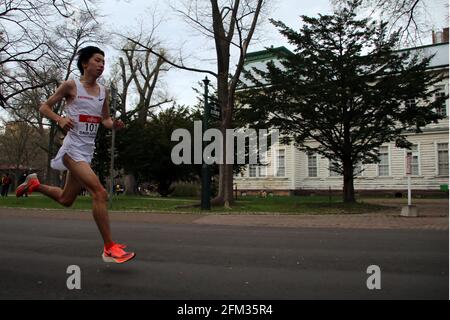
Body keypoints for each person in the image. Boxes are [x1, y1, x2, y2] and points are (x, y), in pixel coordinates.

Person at [16, 46, 135, 264]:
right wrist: (59, 119)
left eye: (103, 62)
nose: (101, 65)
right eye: (97, 60)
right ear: (85, 63)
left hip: (87, 152)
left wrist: (113, 124)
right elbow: (44, 107)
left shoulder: (103, 92)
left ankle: (34, 185)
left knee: (66, 199)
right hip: (71, 150)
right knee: (100, 193)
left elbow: (105, 120)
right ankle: (109, 248)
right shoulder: (72, 85)